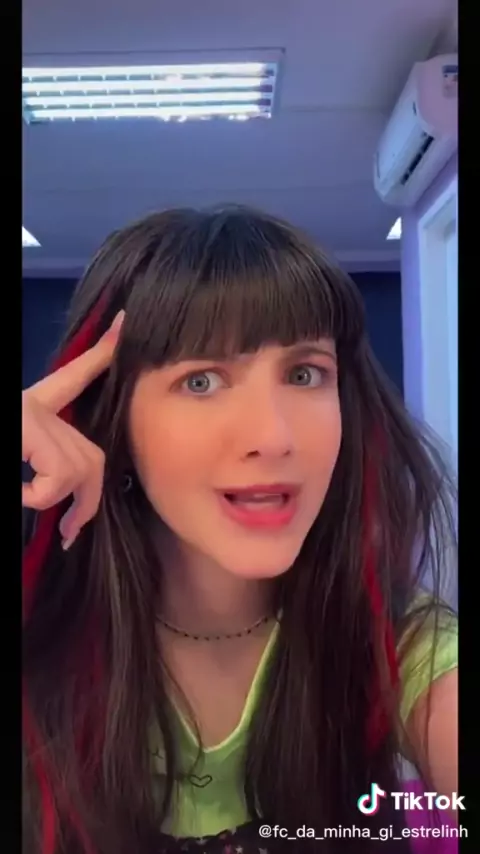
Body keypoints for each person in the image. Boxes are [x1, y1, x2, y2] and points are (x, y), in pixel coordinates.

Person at [22, 206, 458, 854]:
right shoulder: (39, 640)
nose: (272, 437)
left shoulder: (397, 640)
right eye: (201, 380)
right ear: (113, 420)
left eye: (304, 374)